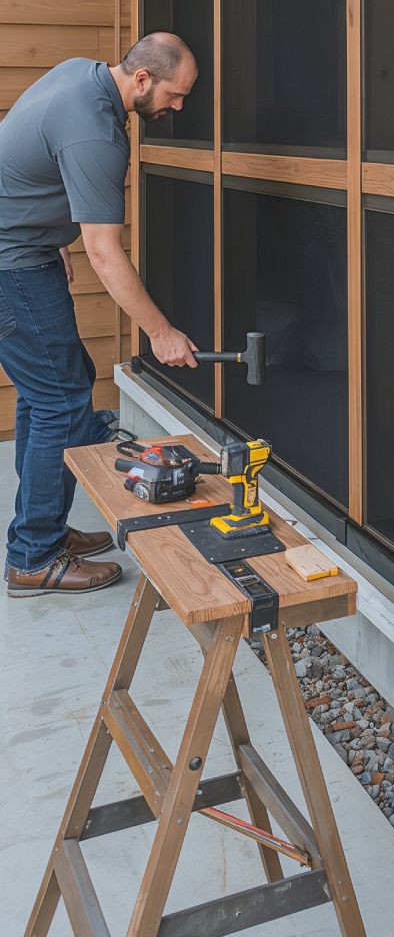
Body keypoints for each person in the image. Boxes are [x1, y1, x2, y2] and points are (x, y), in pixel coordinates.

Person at [0, 34, 201, 598]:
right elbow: (107, 255)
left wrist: (46, 230)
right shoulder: (97, 133)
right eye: (175, 95)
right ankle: (34, 557)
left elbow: (25, 156)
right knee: (63, 401)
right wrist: (160, 333)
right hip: (11, 267)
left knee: (51, 396)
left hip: (24, 251)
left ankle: (38, 533)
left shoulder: (79, 74)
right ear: (142, 80)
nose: (178, 107)